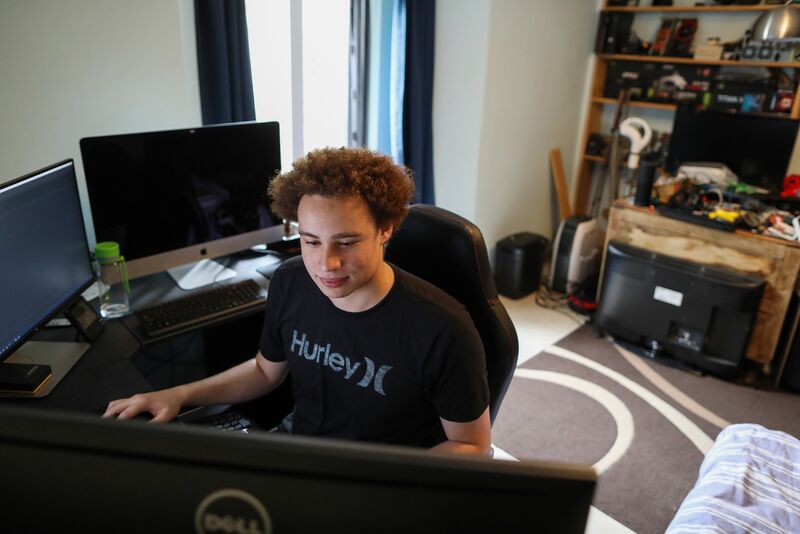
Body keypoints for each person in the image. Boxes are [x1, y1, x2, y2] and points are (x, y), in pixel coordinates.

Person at [104, 147, 491, 455]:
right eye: (311, 241)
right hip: (298, 453)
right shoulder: (291, 280)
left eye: (347, 241)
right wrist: (178, 394)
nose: (327, 264)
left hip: (380, 483)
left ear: (385, 229)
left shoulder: (443, 329)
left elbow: (472, 444)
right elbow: (264, 371)